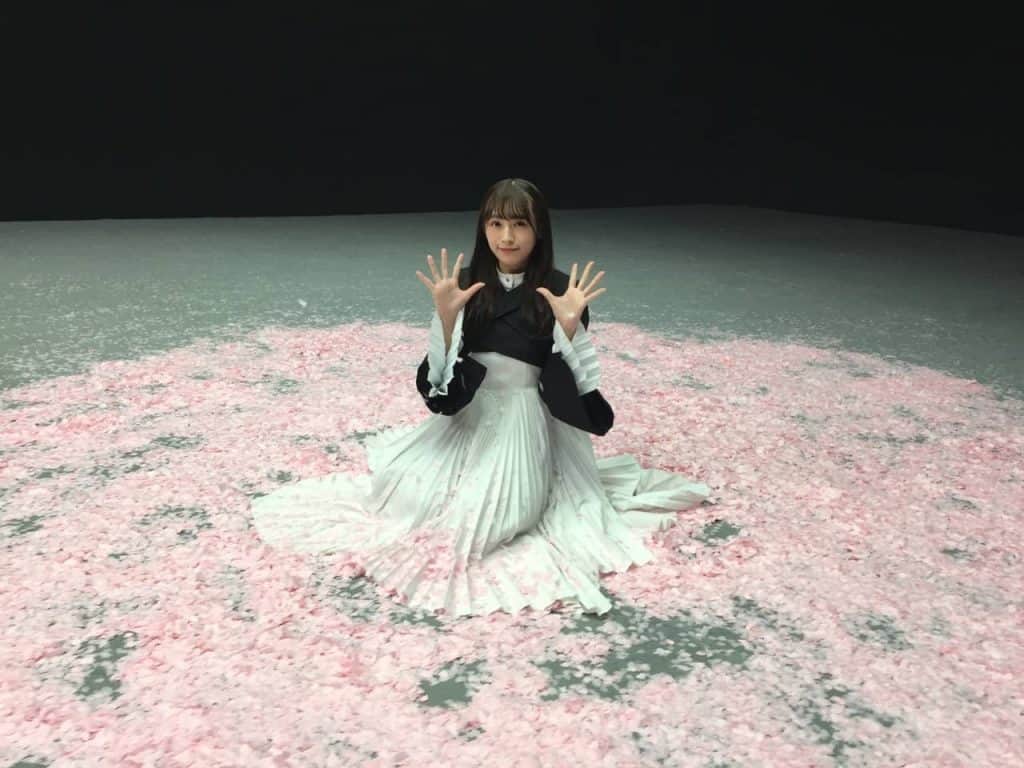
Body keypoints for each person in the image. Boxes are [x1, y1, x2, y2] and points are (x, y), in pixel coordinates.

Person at [251, 178, 711, 618]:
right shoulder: (465, 284)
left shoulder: (561, 290)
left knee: (492, 517)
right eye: (496, 224)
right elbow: (441, 391)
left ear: (539, 229)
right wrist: (445, 320)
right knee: (409, 498)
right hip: (470, 415)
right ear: (483, 227)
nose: (506, 237)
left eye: (520, 224)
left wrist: (569, 331)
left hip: (525, 421)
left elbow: (569, 390)